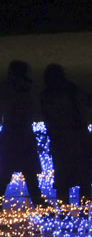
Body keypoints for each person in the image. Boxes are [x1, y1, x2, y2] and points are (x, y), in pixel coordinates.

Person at [40, 64, 92, 206]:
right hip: (79, 140)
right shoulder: (70, 89)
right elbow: (88, 100)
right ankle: (83, 211)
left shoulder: (46, 95)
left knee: (64, 181)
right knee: (84, 178)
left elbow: (47, 117)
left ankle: (64, 212)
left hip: (60, 142)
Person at [1, 61, 48, 207]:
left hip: (10, 135)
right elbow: (37, 108)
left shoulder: (6, 88)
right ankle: (39, 202)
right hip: (22, 135)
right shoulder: (27, 88)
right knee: (28, 172)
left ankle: (39, 202)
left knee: (6, 172)